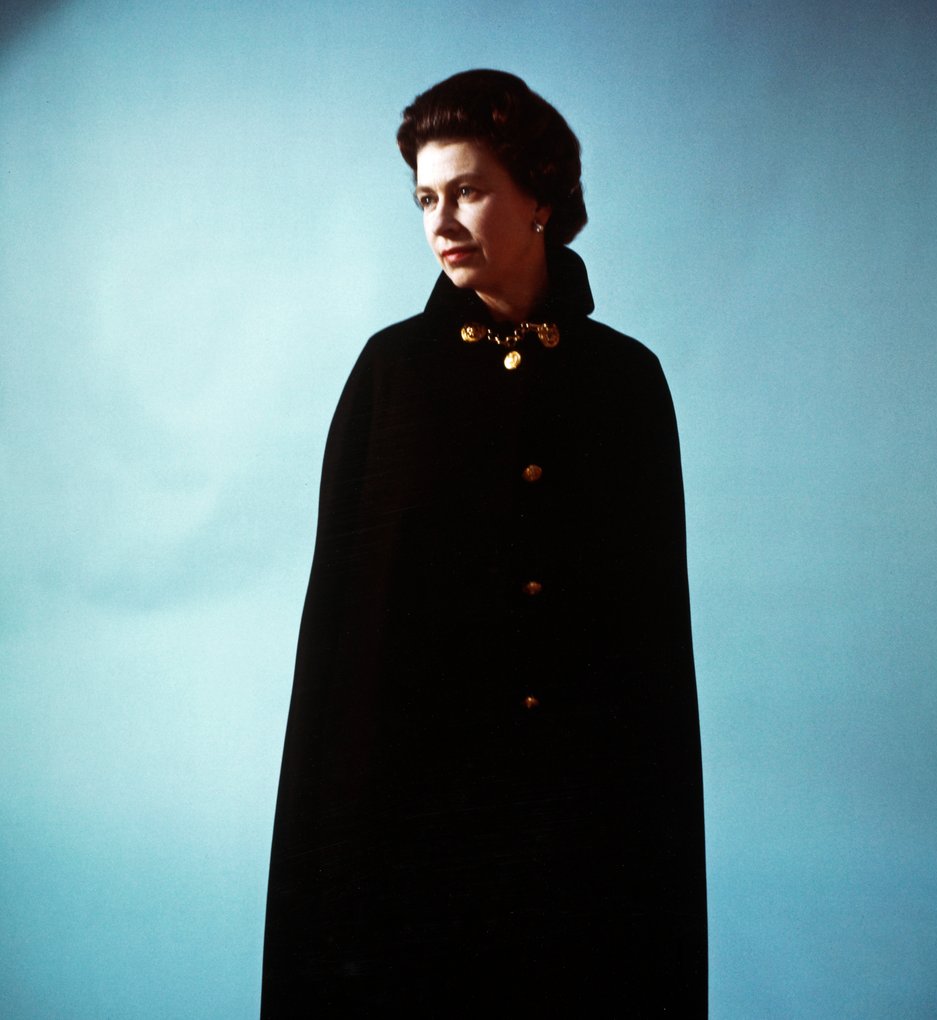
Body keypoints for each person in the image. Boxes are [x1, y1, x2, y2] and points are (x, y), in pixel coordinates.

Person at [261, 69, 707, 1015]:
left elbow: (653, 641)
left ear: (540, 193)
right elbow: (343, 629)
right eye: (426, 197)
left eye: (467, 190)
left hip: (579, 804)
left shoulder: (627, 382)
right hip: (414, 804)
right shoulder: (392, 373)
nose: (441, 219)